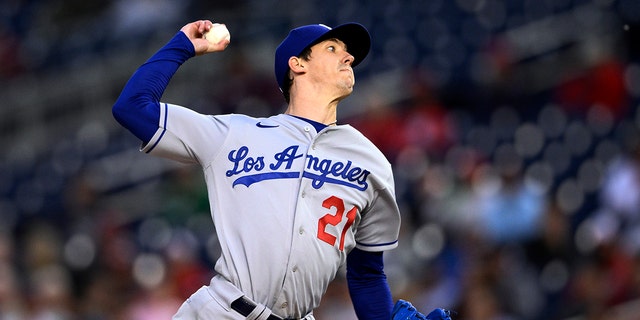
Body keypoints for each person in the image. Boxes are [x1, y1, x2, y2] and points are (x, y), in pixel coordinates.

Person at [113, 19, 402, 319]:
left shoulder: (370, 160)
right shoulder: (234, 133)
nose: (349, 57)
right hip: (223, 312)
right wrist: (182, 46)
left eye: (348, 53)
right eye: (332, 48)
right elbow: (132, 107)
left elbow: (366, 275)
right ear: (297, 65)